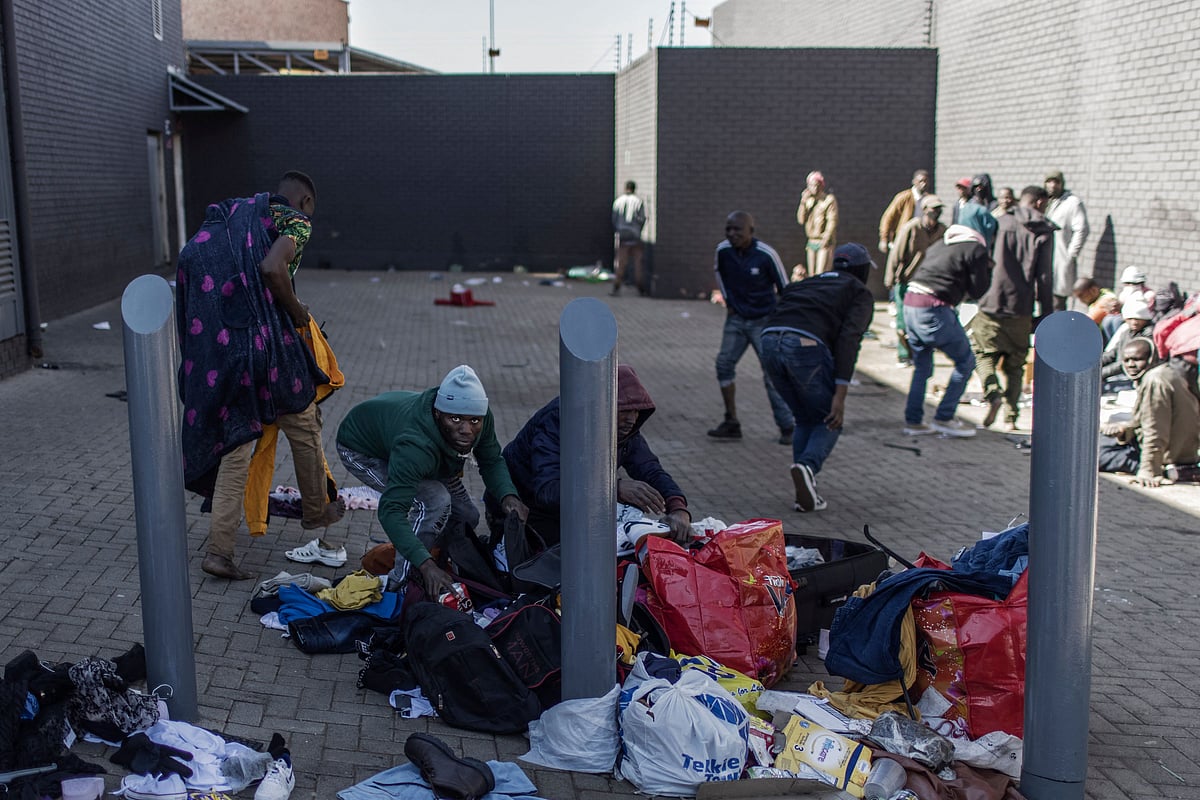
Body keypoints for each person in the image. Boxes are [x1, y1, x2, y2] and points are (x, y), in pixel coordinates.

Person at [176, 171, 344, 581]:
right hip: (268, 348)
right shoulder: (294, 223)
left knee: (236, 446)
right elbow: (273, 268)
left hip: (224, 351)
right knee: (303, 422)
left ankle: (219, 551)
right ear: (305, 202)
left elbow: (191, 262)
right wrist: (298, 313)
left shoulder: (233, 215)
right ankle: (315, 510)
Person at [335, 365, 529, 596]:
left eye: (474, 421)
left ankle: (438, 560)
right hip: (361, 447)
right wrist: (424, 565)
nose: (466, 430)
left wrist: (508, 496)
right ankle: (403, 584)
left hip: (422, 449)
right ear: (438, 413)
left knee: (467, 516)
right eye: (455, 419)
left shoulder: (481, 418)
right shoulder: (414, 445)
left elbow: (491, 460)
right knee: (435, 500)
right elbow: (392, 511)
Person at [495, 364, 692, 547]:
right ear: (600, 406)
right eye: (624, 411)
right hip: (527, 510)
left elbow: (650, 469)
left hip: (571, 509)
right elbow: (547, 491)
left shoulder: (624, 430)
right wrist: (613, 490)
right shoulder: (557, 422)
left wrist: (678, 507)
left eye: (636, 411)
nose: (632, 419)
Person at [760, 243, 875, 513]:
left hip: (768, 340)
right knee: (829, 419)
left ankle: (805, 492)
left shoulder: (807, 283)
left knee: (805, 417)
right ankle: (808, 468)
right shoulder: (859, 292)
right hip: (803, 346)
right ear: (863, 269)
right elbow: (849, 339)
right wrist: (841, 394)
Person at [970, 185, 1057, 431]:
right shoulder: (1044, 230)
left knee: (984, 354)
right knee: (1015, 365)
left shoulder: (1002, 222)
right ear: (1039, 202)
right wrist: (1046, 314)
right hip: (1021, 307)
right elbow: (1044, 277)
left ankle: (992, 393)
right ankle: (1010, 418)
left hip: (991, 302)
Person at [708, 211, 795, 444]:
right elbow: (720, 276)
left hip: (763, 321)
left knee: (771, 373)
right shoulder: (723, 251)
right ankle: (731, 422)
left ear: (751, 232)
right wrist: (731, 305)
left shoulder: (766, 254)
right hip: (736, 319)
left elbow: (785, 288)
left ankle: (787, 426)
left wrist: (781, 321)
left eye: (737, 229)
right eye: (728, 229)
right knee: (724, 364)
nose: (732, 234)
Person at [901, 226, 992, 438]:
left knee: (922, 367)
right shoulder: (976, 249)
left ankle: (913, 422)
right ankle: (944, 417)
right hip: (934, 308)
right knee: (966, 361)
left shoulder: (940, 245)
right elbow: (979, 289)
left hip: (910, 304)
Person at [1099, 339, 1200, 486]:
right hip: (1174, 447)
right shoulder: (1163, 373)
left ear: (1151, 358)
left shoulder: (1155, 380)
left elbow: (1155, 429)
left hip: (1170, 454)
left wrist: (1149, 470)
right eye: (1126, 360)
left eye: (1137, 359)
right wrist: (1125, 430)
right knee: (1100, 441)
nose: (1131, 365)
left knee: (1095, 455)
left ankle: (1170, 471)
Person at [885, 195, 947, 367]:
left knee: (923, 321)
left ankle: (919, 354)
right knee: (903, 321)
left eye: (939, 209)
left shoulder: (942, 231)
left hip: (928, 284)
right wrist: (890, 278)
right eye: (934, 209)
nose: (937, 212)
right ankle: (904, 354)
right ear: (925, 210)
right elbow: (896, 254)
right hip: (907, 280)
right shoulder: (911, 228)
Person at [1044, 170, 1090, 311]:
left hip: (1061, 257)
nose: (1053, 185)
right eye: (1049, 181)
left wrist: (1071, 254)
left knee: (1058, 299)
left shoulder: (1072, 202)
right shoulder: (1046, 202)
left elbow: (1082, 229)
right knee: (1044, 297)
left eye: (1056, 182)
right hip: (1045, 257)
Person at [1101, 297, 1154, 383]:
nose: (1134, 322)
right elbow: (1112, 353)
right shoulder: (1126, 333)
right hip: (1119, 373)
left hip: (1132, 376)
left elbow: (1124, 364)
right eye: (1130, 319)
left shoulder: (1147, 335)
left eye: (1138, 319)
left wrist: (1102, 373)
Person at [796, 171, 839, 276]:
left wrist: (827, 236)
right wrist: (803, 203)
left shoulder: (828, 200)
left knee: (821, 273)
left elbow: (832, 220)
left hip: (824, 241)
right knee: (812, 274)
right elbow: (801, 220)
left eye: (817, 185)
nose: (814, 188)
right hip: (811, 240)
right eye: (811, 185)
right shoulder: (808, 201)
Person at [878, 170, 930, 254]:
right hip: (903, 237)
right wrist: (884, 239)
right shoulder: (903, 197)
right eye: (920, 181)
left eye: (926, 181)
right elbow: (888, 217)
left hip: (920, 239)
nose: (923, 184)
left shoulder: (928, 199)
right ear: (914, 182)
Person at [611, 180, 647, 296]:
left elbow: (614, 219)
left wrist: (618, 229)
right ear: (634, 189)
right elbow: (642, 218)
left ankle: (616, 286)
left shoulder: (618, 201)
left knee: (621, 262)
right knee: (638, 262)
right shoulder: (638, 201)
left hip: (622, 235)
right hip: (635, 235)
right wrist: (639, 230)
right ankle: (640, 288)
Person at [1072, 276, 1122, 342]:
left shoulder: (1107, 299)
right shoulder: (1098, 297)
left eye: (1082, 296)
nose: (1081, 301)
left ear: (1093, 290)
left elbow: (1089, 320)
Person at [957, 174, 999, 250]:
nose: (979, 189)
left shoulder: (995, 205)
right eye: (976, 187)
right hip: (971, 243)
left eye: (981, 186)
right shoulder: (967, 206)